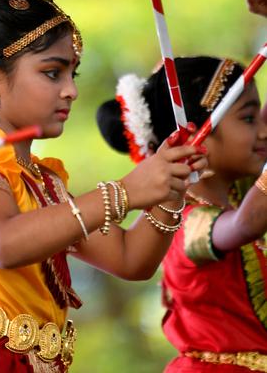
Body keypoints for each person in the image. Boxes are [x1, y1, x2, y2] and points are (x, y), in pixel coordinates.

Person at [0, 0, 207, 372]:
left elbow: (130, 259)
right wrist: (124, 191)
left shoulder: (44, 182)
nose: (70, 91)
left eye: (72, 74)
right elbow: (5, 243)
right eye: (52, 73)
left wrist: (170, 187)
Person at [97, 56, 267, 371]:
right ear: (194, 140)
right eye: (248, 119)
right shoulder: (184, 221)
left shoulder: (233, 196)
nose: (263, 131)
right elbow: (248, 223)